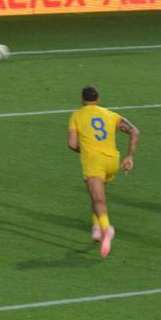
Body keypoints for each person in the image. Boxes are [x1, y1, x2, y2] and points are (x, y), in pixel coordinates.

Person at [67, 85, 139, 258]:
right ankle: (96, 228)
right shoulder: (110, 114)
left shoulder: (77, 115)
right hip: (112, 161)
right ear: (98, 99)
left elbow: (71, 144)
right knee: (95, 194)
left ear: (82, 100)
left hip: (94, 161)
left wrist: (84, 150)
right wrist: (129, 157)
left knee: (98, 198)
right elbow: (135, 131)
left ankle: (107, 229)